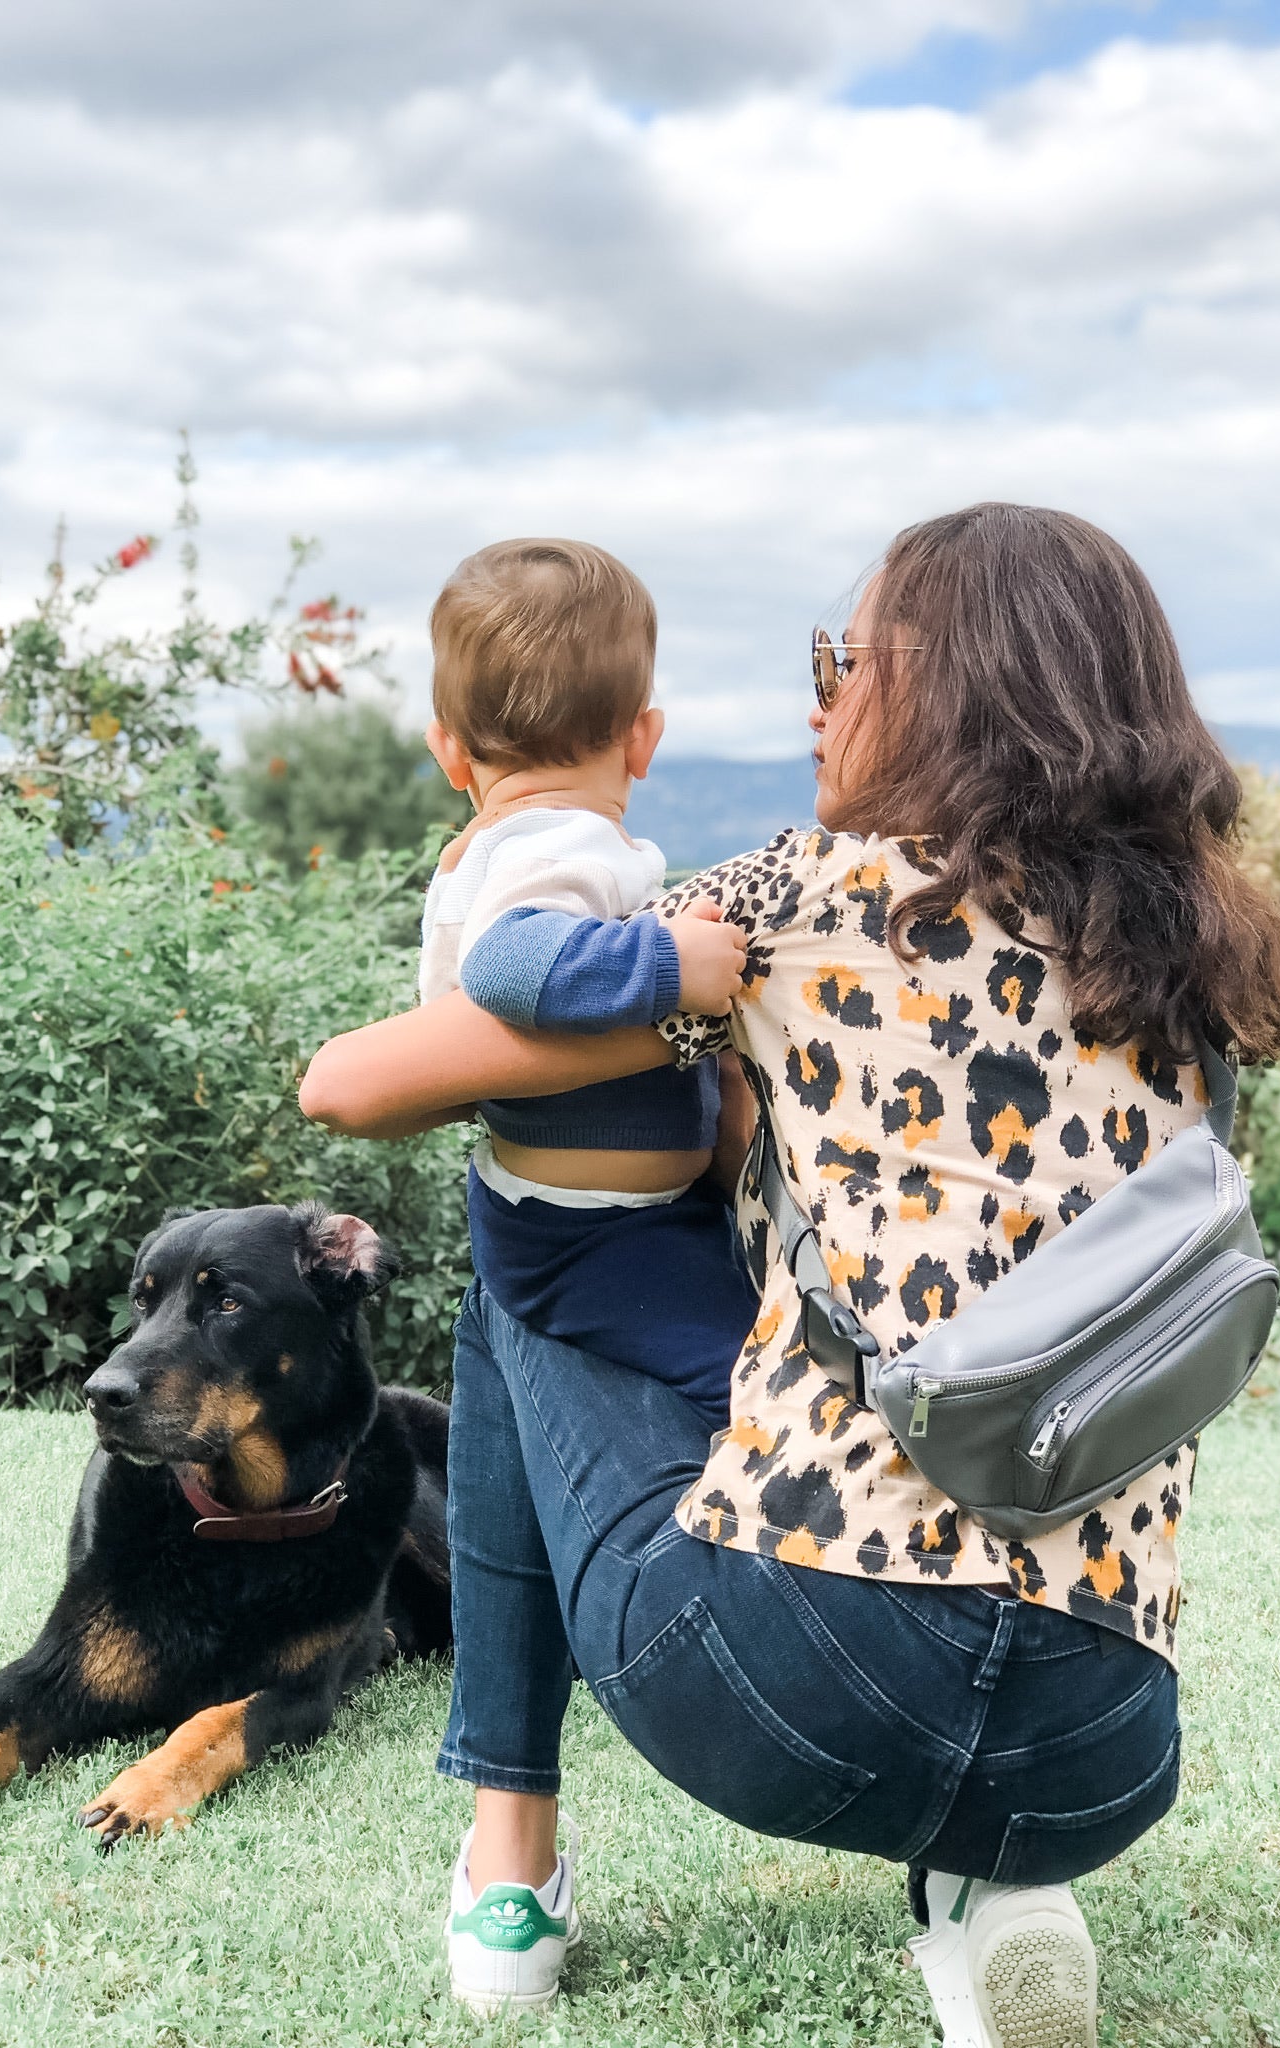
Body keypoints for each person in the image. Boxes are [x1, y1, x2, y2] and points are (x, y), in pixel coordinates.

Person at [301, 503, 1280, 2048]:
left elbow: (358, 1083)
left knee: (528, 1233)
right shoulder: (1199, 973)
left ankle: (508, 1852)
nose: (818, 697)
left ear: (953, 689)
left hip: (790, 1678)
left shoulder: (805, 900)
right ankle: (989, 1880)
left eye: (848, 659)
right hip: (1109, 1739)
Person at [410, 537, 762, 2010]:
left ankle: (512, 1854)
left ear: (445, 748)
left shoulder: (510, 830)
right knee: (772, 1380)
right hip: (589, 1243)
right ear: (645, 738)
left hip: (580, 1222)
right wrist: (679, 977)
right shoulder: (551, 848)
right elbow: (513, 975)